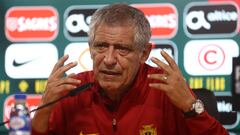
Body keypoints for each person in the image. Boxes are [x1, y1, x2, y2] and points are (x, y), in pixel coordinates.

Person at [31, 3, 229, 135]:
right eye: (100, 46)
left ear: (144, 53)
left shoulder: (165, 90)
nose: (108, 59)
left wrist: (190, 105)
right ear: (90, 49)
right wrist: (44, 108)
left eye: (122, 49)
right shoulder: (72, 91)